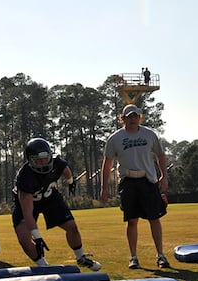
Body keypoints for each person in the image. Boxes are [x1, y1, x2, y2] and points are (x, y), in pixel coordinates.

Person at [12, 138, 101, 271]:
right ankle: (43, 266)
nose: (43, 163)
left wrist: (71, 181)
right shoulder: (25, 176)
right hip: (27, 204)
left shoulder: (57, 162)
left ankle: (81, 258)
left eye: (45, 158)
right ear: (30, 160)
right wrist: (37, 237)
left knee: (72, 227)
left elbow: (65, 169)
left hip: (50, 198)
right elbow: (27, 212)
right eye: (38, 160)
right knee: (24, 238)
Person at [101, 104, 170, 269]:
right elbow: (107, 162)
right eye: (128, 116)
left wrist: (164, 176)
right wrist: (104, 187)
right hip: (128, 182)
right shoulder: (115, 138)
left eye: (135, 116)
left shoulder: (149, 134)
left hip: (148, 181)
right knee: (132, 221)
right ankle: (133, 257)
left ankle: (160, 255)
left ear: (140, 117)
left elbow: (160, 155)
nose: (132, 119)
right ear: (122, 118)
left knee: (154, 219)